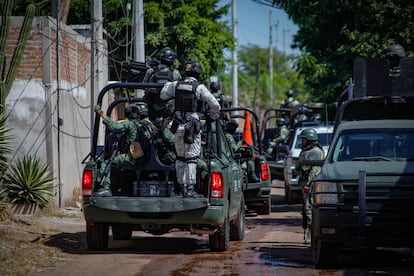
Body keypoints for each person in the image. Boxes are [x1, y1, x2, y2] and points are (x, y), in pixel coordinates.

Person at [160, 60, 221, 198]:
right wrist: (212, 116)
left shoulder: (176, 85)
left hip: (177, 127)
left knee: (180, 157)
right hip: (192, 128)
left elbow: (163, 95)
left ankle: (180, 188)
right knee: (192, 158)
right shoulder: (199, 88)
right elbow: (215, 104)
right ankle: (190, 189)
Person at [93, 104, 152, 197]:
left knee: (106, 163)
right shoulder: (146, 126)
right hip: (146, 158)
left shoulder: (131, 124)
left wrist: (101, 114)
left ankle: (106, 188)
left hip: (132, 158)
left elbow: (114, 126)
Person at [295, 128, 324, 244]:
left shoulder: (315, 152)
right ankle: (308, 234)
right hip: (305, 183)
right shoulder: (308, 150)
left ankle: (313, 235)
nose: (302, 141)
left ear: (309, 139)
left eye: (304, 139)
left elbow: (315, 170)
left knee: (309, 210)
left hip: (310, 185)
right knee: (305, 210)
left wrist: (308, 184)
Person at [144, 47, 182, 122]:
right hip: (169, 110)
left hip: (152, 109)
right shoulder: (175, 73)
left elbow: (144, 85)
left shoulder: (151, 71)